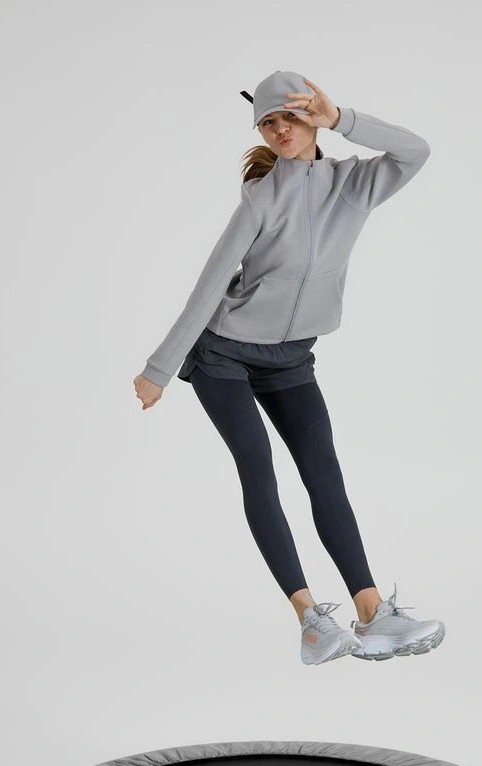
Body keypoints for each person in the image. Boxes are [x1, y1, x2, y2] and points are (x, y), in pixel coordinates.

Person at [133, 70, 445, 665]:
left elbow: (416, 149)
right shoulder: (260, 197)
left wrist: (343, 118)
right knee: (260, 470)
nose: (280, 130)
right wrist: (160, 369)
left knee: (324, 474)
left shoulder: (354, 185)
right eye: (268, 122)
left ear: (312, 119)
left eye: (291, 118)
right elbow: (209, 285)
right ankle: (311, 621)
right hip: (223, 351)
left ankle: (373, 614)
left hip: (291, 356)